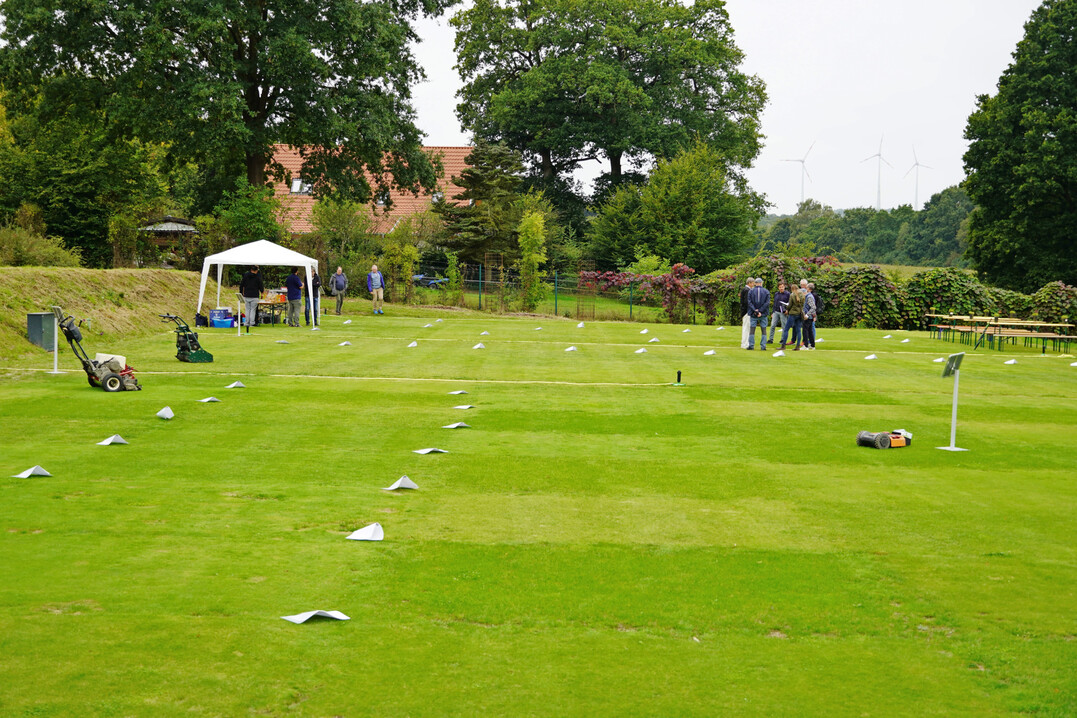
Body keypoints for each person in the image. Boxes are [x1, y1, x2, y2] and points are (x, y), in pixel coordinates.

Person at [780, 281, 806, 350]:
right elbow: (803, 304)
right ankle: (797, 346)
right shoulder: (802, 295)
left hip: (793, 314)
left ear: (792, 289)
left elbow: (790, 305)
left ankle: (783, 345)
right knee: (798, 330)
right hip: (799, 313)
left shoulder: (792, 295)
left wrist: (787, 308)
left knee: (786, 329)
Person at [746, 277, 770, 350]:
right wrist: (761, 311)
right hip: (763, 313)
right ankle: (763, 346)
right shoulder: (766, 291)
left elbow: (749, 302)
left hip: (753, 313)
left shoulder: (751, 291)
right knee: (764, 330)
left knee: (752, 330)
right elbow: (767, 303)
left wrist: (755, 310)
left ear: (755, 283)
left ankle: (751, 345)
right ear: (761, 283)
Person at [239, 265, 264, 334]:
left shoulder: (246, 275)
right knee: (253, 310)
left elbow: (242, 284)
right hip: (255, 295)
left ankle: (246, 322)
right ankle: (252, 322)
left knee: (247, 309)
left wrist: (241, 292)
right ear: (256, 270)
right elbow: (260, 285)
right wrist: (262, 292)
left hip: (247, 295)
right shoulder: (257, 276)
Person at [767, 282, 790, 346]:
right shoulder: (776, 294)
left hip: (783, 312)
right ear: (778, 288)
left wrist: (787, 310)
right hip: (776, 311)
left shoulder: (788, 294)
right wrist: (773, 312)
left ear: (784, 287)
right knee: (772, 325)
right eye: (780, 287)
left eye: (782, 287)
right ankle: (770, 339)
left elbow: (790, 303)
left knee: (784, 326)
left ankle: (783, 340)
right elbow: (775, 303)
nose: (781, 288)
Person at [802, 282, 818, 350]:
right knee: (810, 331)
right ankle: (812, 345)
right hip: (810, 316)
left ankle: (805, 345)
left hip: (808, 317)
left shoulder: (809, 297)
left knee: (805, 331)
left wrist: (807, 315)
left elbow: (813, 307)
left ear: (808, 288)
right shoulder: (809, 296)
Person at [739, 279, 752, 349]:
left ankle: (745, 343)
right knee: (746, 328)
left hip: (745, 311)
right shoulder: (747, 290)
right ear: (749, 283)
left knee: (746, 328)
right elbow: (747, 302)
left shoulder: (745, 289)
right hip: (746, 312)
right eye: (752, 283)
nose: (753, 285)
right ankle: (745, 343)